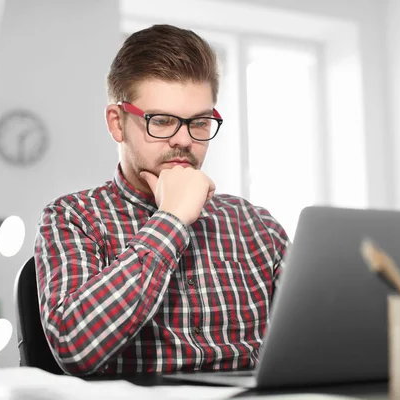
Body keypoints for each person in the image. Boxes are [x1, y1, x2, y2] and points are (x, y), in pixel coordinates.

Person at [34, 24, 290, 377]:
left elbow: (320, 338)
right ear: (117, 124)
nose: (184, 140)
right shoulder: (72, 217)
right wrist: (171, 219)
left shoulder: (257, 224)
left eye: (199, 122)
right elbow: (74, 348)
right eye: (163, 121)